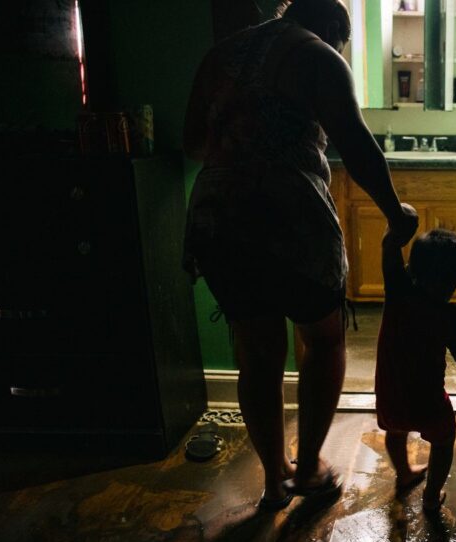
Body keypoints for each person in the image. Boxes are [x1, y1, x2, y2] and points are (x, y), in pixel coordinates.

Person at [182, 0, 418, 510]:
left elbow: (193, 143)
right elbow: (355, 145)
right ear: (333, 28)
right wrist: (395, 214)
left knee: (257, 353)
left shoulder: (221, 55)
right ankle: (309, 467)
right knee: (324, 340)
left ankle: (274, 480)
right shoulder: (317, 54)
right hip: (288, 212)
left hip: (217, 215)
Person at [375, 226, 456, 513]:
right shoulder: (450, 316)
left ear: (412, 267)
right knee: (443, 441)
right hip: (428, 401)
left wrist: (397, 224)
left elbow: (389, 248)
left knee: (395, 431)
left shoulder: (397, 290)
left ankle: (404, 473)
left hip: (390, 394)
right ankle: (430, 496)